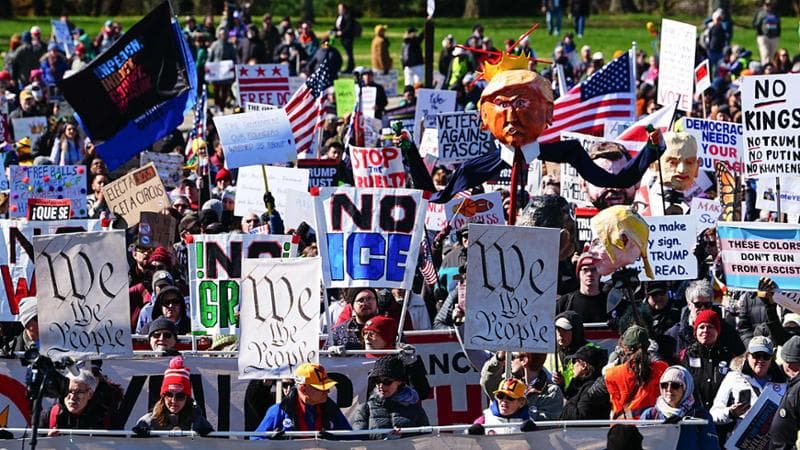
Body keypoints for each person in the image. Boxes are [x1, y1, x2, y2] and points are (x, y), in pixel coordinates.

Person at [711, 336, 786, 441]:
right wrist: (731, 413)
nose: (761, 360)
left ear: (772, 358)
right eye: (756, 355)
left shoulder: (783, 382)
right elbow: (714, 414)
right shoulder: (733, 377)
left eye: (766, 356)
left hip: (773, 444)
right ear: (747, 356)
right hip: (741, 443)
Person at [253, 363, 351, 438]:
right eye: (321, 388)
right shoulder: (278, 411)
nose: (328, 391)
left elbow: (353, 438)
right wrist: (273, 445)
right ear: (303, 389)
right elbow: (256, 439)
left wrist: (335, 443)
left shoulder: (332, 409)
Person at [640, 365, 719, 449]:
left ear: (686, 388)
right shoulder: (650, 415)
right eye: (664, 385)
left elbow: (711, 447)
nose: (669, 389)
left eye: (675, 385)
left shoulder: (700, 416)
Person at [133, 357, 213, 436]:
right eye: (169, 395)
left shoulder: (198, 420)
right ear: (163, 397)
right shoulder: (148, 421)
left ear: (187, 398)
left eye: (180, 396)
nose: (174, 400)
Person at [352, 355, 430, 436]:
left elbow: (427, 441)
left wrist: (403, 439)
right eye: (377, 381)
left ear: (399, 382)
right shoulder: (365, 409)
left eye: (387, 381)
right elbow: (358, 442)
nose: (381, 386)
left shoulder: (416, 409)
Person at [605, 325, 668, 419]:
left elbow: (615, 404)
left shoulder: (611, 374)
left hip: (623, 427)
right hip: (652, 425)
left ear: (625, 348)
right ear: (648, 346)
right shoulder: (662, 368)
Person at [680, 309, 737, 411]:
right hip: (694, 416)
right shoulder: (686, 355)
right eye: (701, 327)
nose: (705, 330)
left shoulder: (728, 357)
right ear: (696, 331)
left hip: (722, 418)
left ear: (717, 331)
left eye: (710, 327)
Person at [481, 351, 564, 420]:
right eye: (500, 396)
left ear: (524, 360)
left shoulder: (551, 391)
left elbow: (548, 424)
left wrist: (517, 409)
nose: (510, 361)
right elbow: (487, 381)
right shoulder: (507, 383)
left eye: (514, 357)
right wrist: (498, 358)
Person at [42, 370, 108, 433]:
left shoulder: (105, 417)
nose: (72, 397)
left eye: (79, 392)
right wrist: (49, 441)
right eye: (68, 391)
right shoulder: (48, 415)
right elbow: (36, 442)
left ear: (90, 394)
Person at [580, 141, 638, 209]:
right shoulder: (569, 218)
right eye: (604, 180)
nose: (615, 188)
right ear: (583, 184)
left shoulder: (649, 219)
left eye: (623, 179)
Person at [559, 344, 609, 420]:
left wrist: (564, 402)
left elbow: (580, 416)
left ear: (584, 365)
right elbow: (573, 397)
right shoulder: (584, 385)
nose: (573, 365)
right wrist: (562, 385)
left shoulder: (590, 388)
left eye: (575, 362)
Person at [470, 378, 536, 435]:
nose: (504, 400)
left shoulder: (529, 422)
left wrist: (533, 434)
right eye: (500, 396)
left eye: (510, 397)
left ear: (521, 402)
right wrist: (473, 434)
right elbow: (467, 441)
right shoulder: (484, 420)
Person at [556, 254, 608, 323]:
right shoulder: (565, 302)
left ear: (600, 273)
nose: (589, 274)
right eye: (585, 270)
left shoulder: (610, 302)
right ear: (578, 274)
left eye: (594, 269)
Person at [752, 0, 780, 65]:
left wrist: (778, 35)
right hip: (763, 36)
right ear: (764, 4)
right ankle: (764, 69)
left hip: (774, 37)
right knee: (765, 54)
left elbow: (778, 24)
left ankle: (769, 70)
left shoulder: (775, 13)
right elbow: (754, 24)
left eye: (770, 4)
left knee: (771, 56)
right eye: (767, 4)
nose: (769, 6)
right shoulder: (760, 13)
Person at [334, 3, 356, 73]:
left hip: (348, 37)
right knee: (347, 52)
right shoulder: (339, 16)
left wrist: (342, 32)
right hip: (342, 37)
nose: (339, 10)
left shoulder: (348, 16)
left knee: (349, 53)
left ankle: (350, 67)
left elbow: (349, 27)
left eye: (341, 8)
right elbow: (337, 26)